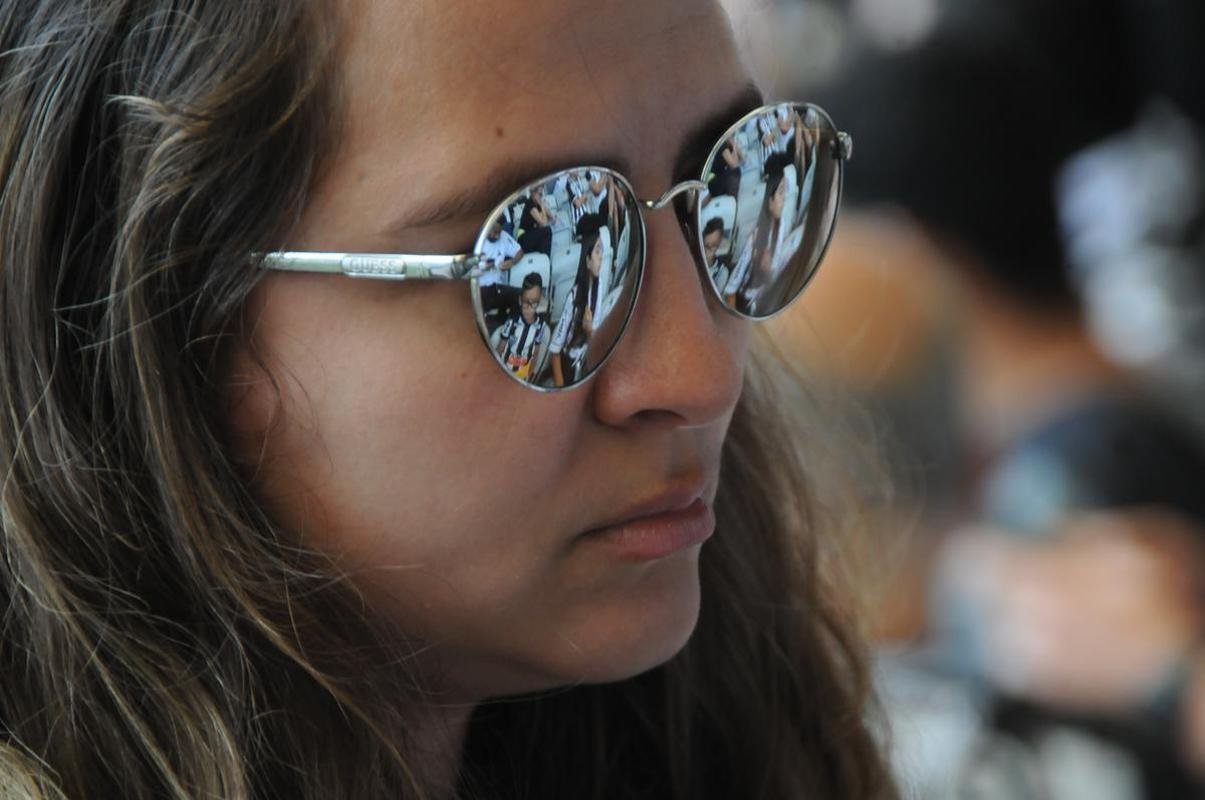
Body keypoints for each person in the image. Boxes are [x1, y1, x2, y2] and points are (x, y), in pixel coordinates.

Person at [0, 1, 895, 799]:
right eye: (535, 260)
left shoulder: (726, 742)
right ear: (163, 322)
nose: (700, 377)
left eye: (741, 185)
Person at [724, 167, 788, 314]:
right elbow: (732, 288)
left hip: (762, 300)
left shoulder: (781, 225)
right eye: (781, 192)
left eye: (785, 191)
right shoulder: (755, 238)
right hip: (744, 301)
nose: (784, 198)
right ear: (770, 202)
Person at [549, 233, 606, 388]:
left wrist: (589, 330)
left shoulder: (599, 285)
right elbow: (555, 351)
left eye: (602, 251)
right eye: (597, 251)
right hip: (570, 366)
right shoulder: (573, 299)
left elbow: (594, 336)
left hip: (587, 359)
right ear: (587, 261)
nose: (601, 257)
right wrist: (561, 389)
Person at [490, 272, 551, 383]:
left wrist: (530, 375)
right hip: (505, 372)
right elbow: (501, 347)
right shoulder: (512, 322)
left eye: (534, 303)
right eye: (526, 302)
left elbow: (535, 354)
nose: (529, 308)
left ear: (539, 302)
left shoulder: (540, 326)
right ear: (520, 300)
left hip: (523, 376)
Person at [477, 220, 524, 323]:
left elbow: (519, 252)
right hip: (481, 288)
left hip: (497, 286)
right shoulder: (477, 240)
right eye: (494, 232)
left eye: (499, 232)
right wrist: (492, 265)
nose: (497, 236)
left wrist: (512, 262)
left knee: (520, 296)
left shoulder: (504, 236)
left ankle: (506, 325)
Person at [517, 185, 554, 259]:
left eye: (542, 194)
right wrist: (542, 205)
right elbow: (544, 224)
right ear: (533, 193)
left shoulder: (537, 204)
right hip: (523, 238)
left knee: (545, 234)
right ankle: (546, 259)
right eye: (540, 194)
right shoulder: (529, 203)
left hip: (533, 235)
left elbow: (552, 217)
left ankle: (544, 260)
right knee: (547, 231)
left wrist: (542, 204)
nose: (541, 196)